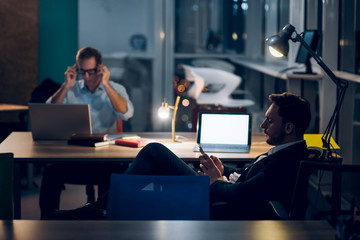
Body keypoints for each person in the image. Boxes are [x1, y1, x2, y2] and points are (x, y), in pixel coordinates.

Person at [47, 92, 311, 220]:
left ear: (289, 127)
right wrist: (225, 170)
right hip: (221, 189)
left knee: (154, 152)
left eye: (270, 121)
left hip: (222, 202)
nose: (263, 126)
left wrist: (216, 180)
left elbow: (244, 196)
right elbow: (248, 180)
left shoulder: (286, 161)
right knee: (153, 172)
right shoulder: (285, 151)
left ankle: (99, 210)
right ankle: (101, 210)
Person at [40, 46, 134, 219]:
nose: (87, 77)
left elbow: (126, 113)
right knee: (51, 172)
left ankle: (106, 222)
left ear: (100, 68)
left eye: (91, 71)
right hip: (75, 157)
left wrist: (105, 84)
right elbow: (48, 111)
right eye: (82, 72)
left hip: (105, 159)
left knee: (114, 174)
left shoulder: (115, 88)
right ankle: (47, 221)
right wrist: (66, 86)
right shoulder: (71, 89)